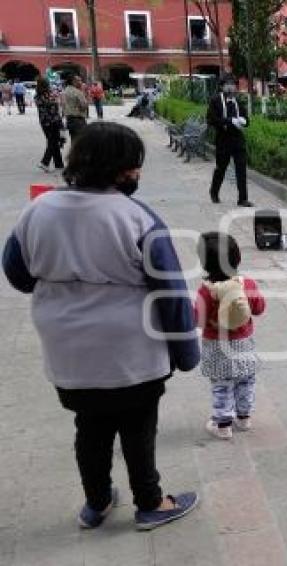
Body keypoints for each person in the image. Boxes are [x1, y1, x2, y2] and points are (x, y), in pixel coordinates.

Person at [2, 122, 200, 531]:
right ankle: (150, 502)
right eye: (134, 167)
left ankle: (96, 502)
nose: (138, 175)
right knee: (138, 428)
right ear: (117, 169)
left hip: (67, 350)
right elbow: (171, 292)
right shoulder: (137, 218)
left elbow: (18, 275)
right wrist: (185, 353)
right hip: (132, 352)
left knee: (89, 426)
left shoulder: (38, 210)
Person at [195, 232, 266, 440]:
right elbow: (260, 308)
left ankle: (223, 425)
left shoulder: (205, 291)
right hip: (244, 344)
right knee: (245, 381)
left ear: (205, 264)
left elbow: (197, 320)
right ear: (238, 258)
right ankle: (244, 419)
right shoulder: (248, 284)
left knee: (221, 385)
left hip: (217, 347)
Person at [207, 74, 252, 207]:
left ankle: (242, 199)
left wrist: (244, 121)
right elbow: (211, 120)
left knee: (241, 169)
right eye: (228, 84)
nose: (231, 86)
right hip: (223, 139)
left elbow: (246, 119)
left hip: (238, 140)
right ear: (222, 86)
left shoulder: (238, 101)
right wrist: (230, 121)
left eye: (233, 84)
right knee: (221, 168)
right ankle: (214, 191)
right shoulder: (215, 100)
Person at [34, 78, 65, 173]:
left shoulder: (40, 95)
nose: (49, 85)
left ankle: (59, 164)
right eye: (48, 84)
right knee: (53, 142)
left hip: (46, 122)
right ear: (45, 85)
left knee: (54, 142)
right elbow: (51, 105)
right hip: (51, 122)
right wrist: (57, 101)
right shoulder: (42, 96)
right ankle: (44, 162)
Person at [62, 75, 89, 142]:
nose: (81, 82)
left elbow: (62, 105)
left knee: (73, 140)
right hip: (78, 120)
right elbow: (84, 106)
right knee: (81, 142)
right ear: (73, 82)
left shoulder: (65, 91)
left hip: (69, 120)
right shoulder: (78, 92)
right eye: (79, 80)